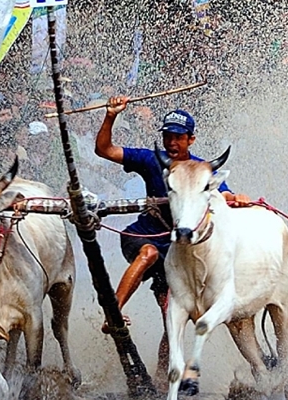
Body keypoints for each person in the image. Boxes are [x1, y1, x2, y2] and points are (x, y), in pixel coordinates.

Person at [94, 95, 249, 381]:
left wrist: (236, 198)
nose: (171, 143)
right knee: (149, 254)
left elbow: (223, 195)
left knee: (172, 318)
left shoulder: (204, 169)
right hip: (145, 236)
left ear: (191, 139)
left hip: (176, 250)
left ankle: (162, 379)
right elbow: (104, 149)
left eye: (178, 137)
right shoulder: (152, 160)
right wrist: (111, 115)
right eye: (167, 137)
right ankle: (112, 314)